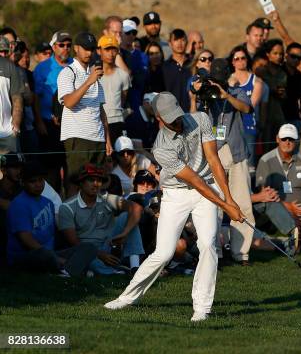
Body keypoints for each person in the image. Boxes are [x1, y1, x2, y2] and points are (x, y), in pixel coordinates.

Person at [104, 92, 244, 322]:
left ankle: (202, 307)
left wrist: (229, 199)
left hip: (207, 188)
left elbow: (213, 160)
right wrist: (226, 206)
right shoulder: (160, 147)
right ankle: (128, 297)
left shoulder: (201, 119)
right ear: (159, 117)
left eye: (177, 117)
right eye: (170, 119)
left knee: (208, 245)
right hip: (176, 193)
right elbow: (194, 181)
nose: (176, 123)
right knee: (164, 252)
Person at [191, 57, 255, 266]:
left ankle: (241, 252)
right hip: (214, 154)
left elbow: (247, 109)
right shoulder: (206, 94)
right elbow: (194, 117)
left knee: (242, 202)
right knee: (215, 204)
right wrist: (199, 94)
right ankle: (215, 252)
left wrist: (225, 95)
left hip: (236, 153)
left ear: (227, 75)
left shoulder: (237, 92)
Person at [6, 161, 97, 276]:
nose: (38, 184)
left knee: (89, 247)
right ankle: (69, 270)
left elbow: (54, 233)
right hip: (25, 255)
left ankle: (65, 271)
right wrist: (54, 257)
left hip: (51, 252)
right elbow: (26, 239)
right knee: (45, 255)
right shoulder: (18, 204)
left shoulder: (48, 202)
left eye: (40, 180)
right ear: (23, 182)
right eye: (32, 181)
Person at [58, 163, 144, 275]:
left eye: (99, 180)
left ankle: (134, 267)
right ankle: (116, 270)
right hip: (87, 250)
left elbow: (137, 208)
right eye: (91, 180)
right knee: (89, 260)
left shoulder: (106, 198)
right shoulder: (67, 207)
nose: (96, 184)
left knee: (127, 216)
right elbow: (74, 243)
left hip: (109, 243)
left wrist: (125, 233)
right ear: (81, 182)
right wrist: (99, 254)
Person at [57, 32, 113, 192]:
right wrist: (89, 82)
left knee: (97, 185)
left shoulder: (94, 73)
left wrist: (107, 138)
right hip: (77, 137)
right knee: (76, 183)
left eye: (92, 49)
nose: (89, 53)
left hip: (98, 137)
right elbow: (68, 102)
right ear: (76, 49)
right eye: (85, 49)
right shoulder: (68, 72)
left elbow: (100, 108)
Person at [33, 31, 73, 191]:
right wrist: (39, 122)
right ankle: (54, 206)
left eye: (68, 45)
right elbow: (36, 97)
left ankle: (71, 207)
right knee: (52, 171)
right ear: (54, 47)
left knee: (72, 170)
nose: (65, 48)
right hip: (49, 126)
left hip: (71, 125)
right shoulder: (43, 68)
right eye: (61, 45)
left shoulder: (75, 65)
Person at [227, 46, 264, 169]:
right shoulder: (228, 80)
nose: (240, 61)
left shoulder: (256, 81)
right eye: (236, 59)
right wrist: (231, 84)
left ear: (247, 59)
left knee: (249, 166)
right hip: (232, 126)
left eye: (243, 58)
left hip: (248, 126)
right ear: (232, 62)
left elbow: (249, 106)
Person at [98, 35, 131, 144]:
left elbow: (123, 98)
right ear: (99, 51)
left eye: (114, 49)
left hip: (118, 121)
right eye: (107, 49)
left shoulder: (123, 75)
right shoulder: (93, 74)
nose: (111, 53)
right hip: (99, 122)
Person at [259, 39, 288, 152]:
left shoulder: (282, 73)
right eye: (275, 53)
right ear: (268, 54)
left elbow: (282, 93)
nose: (279, 56)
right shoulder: (261, 71)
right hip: (264, 114)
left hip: (278, 114)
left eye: (281, 54)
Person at [0, 46, 24, 154]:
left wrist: (15, 126)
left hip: (7, 132)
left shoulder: (9, 66)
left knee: (13, 169)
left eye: (5, 51)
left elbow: (17, 99)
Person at [163, 29, 192, 112]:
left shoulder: (193, 66)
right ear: (170, 43)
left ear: (187, 42)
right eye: (176, 40)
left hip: (191, 115)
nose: (180, 43)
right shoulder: (164, 67)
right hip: (170, 115)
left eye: (182, 40)